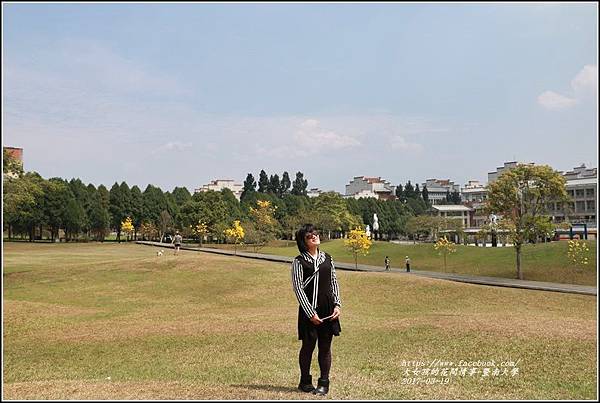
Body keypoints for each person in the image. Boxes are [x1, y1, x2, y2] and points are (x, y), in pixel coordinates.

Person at [291, 224, 341, 396]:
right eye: (309, 236)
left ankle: (324, 383)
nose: (314, 236)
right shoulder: (298, 261)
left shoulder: (328, 258)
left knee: (325, 347)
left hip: (328, 309)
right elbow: (298, 289)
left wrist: (337, 305)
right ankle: (305, 381)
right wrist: (310, 313)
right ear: (303, 242)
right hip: (309, 310)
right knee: (308, 346)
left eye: (315, 234)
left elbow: (334, 282)